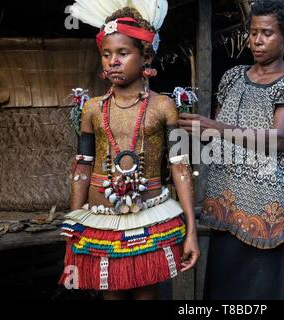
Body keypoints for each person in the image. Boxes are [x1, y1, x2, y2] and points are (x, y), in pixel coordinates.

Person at [59, 0, 199, 300]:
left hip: (151, 215)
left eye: (123, 53)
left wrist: (191, 230)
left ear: (145, 56)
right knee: (110, 295)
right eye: (107, 54)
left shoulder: (163, 107)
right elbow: (82, 167)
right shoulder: (92, 109)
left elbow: (180, 166)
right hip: (100, 217)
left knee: (147, 295)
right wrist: (73, 225)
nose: (113, 61)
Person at [179, 0, 284, 299]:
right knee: (229, 283)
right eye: (253, 33)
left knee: (266, 285)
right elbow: (217, 135)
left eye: (267, 33)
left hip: (271, 202)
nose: (257, 41)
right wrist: (189, 129)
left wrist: (213, 127)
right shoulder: (233, 77)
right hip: (228, 196)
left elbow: (277, 139)